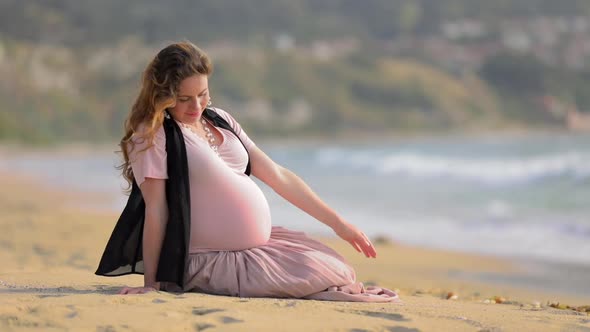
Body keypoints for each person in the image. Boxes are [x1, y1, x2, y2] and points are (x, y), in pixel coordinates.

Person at [95, 41, 398, 302]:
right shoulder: (152, 134)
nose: (196, 106)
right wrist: (153, 284)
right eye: (184, 99)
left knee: (337, 266)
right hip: (207, 258)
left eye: (202, 94)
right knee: (320, 275)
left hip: (258, 247)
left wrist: (339, 224)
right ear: (163, 95)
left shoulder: (221, 119)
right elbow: (156, 210)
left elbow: (278, 176)